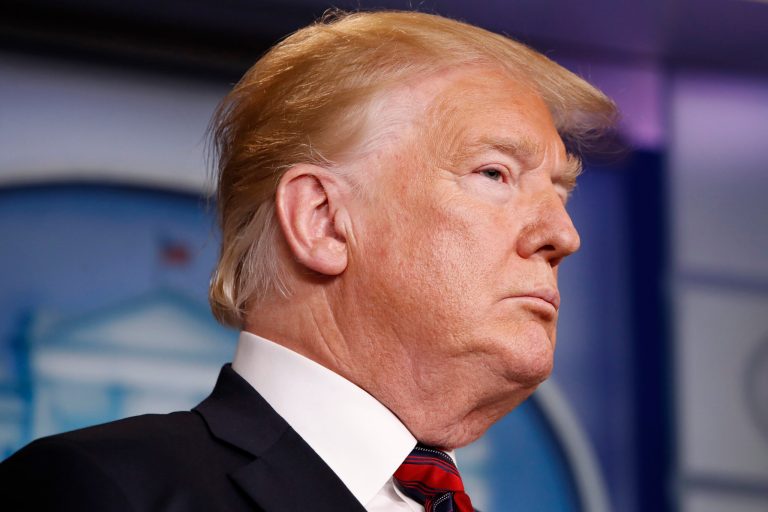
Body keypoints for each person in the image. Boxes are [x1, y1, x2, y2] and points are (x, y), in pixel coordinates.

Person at [0, 10, 616, 512]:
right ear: (321, 220)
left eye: (560, 193)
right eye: (495, 173)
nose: (562, 234)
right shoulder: (102, 492)